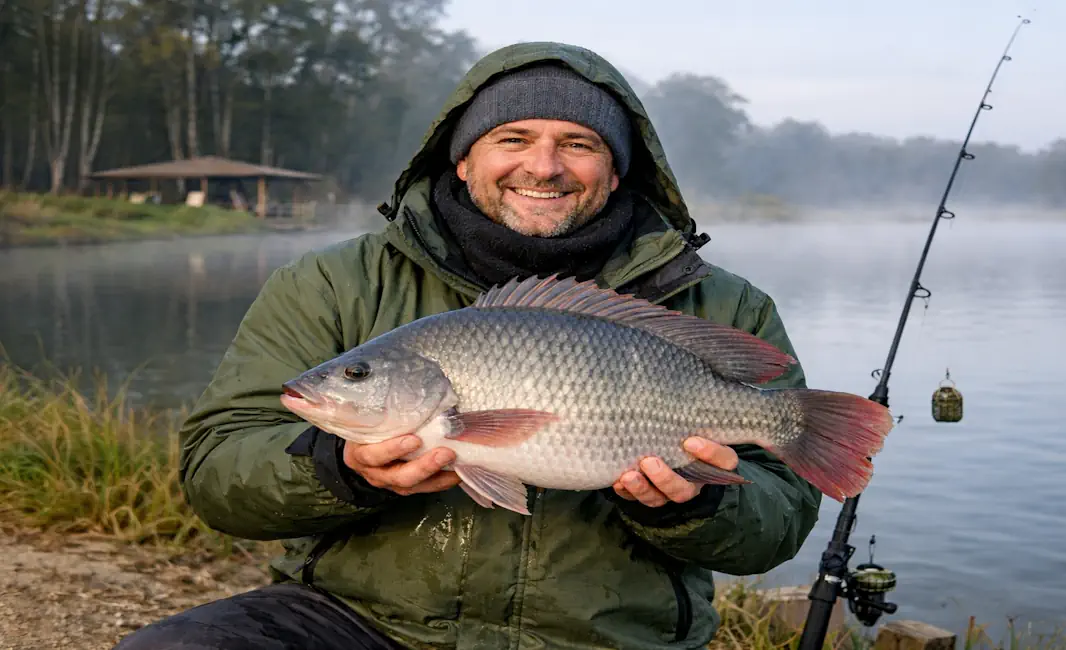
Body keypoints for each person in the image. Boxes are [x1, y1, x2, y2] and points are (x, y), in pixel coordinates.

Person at [115, 42, 822, 650]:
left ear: (615, 170)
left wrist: (692, 506)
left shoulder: (723, 305)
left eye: (578, 144)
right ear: (460, 160)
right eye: (511, 139)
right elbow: (216, 471)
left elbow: (778, 524)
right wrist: (341, 469)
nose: (543, 166)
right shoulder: (332, 283)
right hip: (359, 622)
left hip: (609, 638)